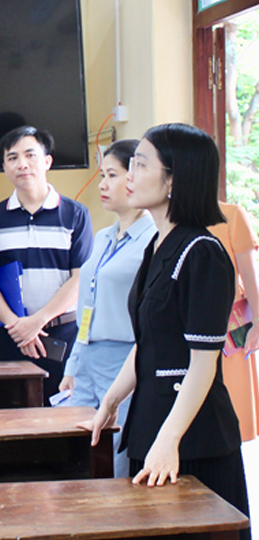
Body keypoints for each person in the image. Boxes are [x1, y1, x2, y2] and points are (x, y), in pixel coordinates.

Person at [80, 124, 248, 538]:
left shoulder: (202, 252)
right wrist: (110, 402)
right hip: (151, 425)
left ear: (174, 179)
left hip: (192, 440)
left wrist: (169, 439)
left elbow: (202, 364)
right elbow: (146, 344)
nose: (129, 176)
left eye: (139, 165)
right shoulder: (156, 246)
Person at [57, 139, 155, 477]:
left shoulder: (154, 239)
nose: (102, 184)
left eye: (112, 175)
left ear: (137, 176)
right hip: (87, 356)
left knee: (117, 456)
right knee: (79, 451)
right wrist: (73, 363)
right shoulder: (102, 237)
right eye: (102, 175)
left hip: (126, 359)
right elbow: (87, 304)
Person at [0, 126, 93, 400]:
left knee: (65, 415)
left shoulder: (75, 214)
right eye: (13, 158)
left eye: (30, 155)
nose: (22, 164)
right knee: (12, 415)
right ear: (4, 167)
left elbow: (81, 278)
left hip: (64, 334)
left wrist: (38, 321)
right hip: (12, 336)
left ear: (47, 161)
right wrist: (18, 327)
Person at [209, 201, 259, 442]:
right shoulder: (168, 217)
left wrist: (258, 321)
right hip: (188, 326)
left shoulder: (231, 215)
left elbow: (250, 273)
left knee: (231, 411)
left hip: (229, 323)